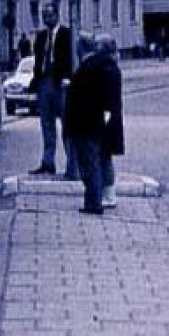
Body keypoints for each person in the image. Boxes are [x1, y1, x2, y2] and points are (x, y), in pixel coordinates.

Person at [65, 33, 125, 215]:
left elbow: (86, 100)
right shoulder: (108, 67)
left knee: (91, 163)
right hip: (101, 123)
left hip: (88, 125)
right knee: (101, 160)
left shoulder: (89, 68)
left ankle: (94, 201)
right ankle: (101, 197)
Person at [26, 4, 75, 177]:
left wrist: (68, 78)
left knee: (67, 124)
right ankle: (48, 162)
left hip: (61, 83)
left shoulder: (67, 34)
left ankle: (72, 165)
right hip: (45, 83)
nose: (47, 19)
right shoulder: (40, 37)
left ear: (57, 16)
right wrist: (36, 81)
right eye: (44, 16)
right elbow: (38, 61)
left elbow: (71, 58)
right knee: (47, 125)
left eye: (49, 15)